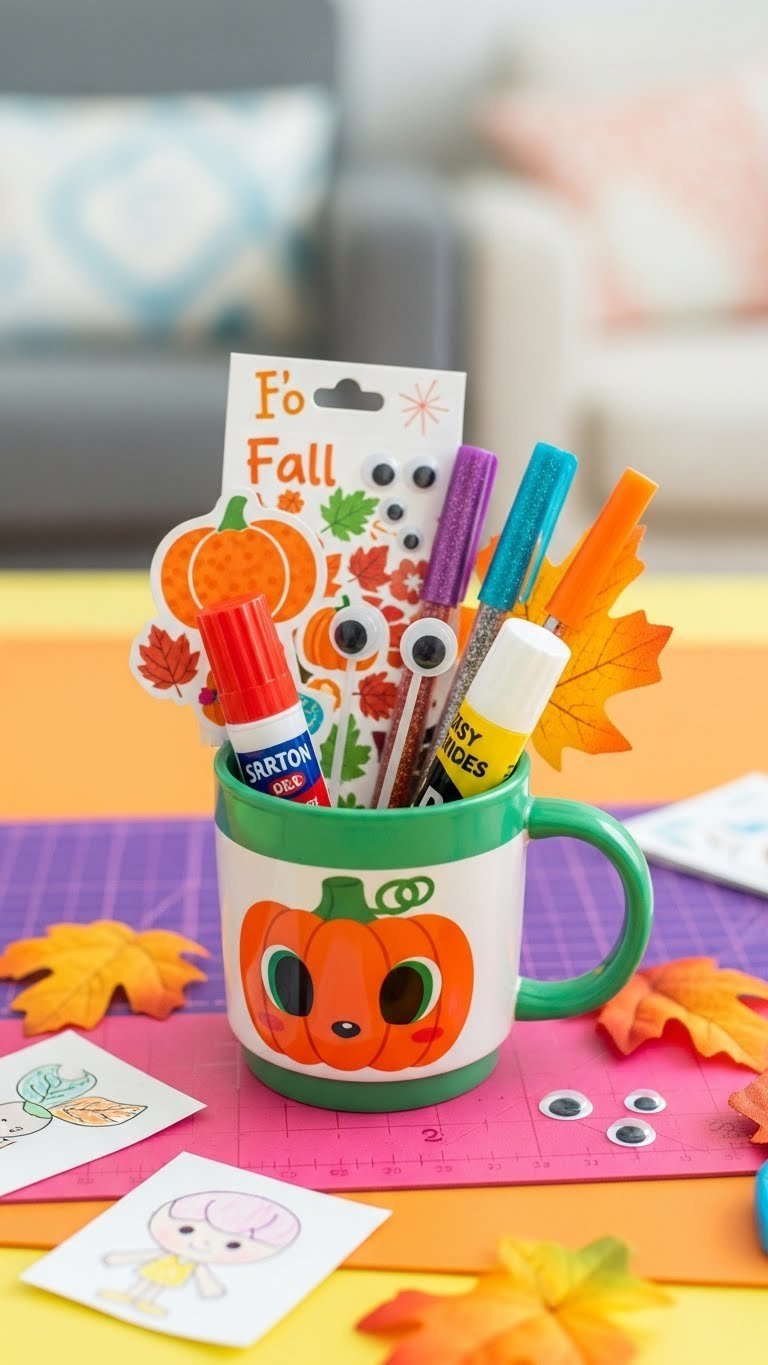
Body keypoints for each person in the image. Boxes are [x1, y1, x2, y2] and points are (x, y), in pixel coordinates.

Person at [100, 1188, 300, 1316]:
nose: (201, 1246)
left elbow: (202, 1274)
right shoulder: (171, 1253)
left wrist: (210, 1289)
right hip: (160, 1267)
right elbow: (146, 1255)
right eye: (186, 1230)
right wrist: (121, 1257)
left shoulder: (195, 1262)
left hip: (175, 1273)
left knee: (157, 1285)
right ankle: (130, 1295)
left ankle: (145, 1300)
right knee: (148, 1280)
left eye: (233, 1245)